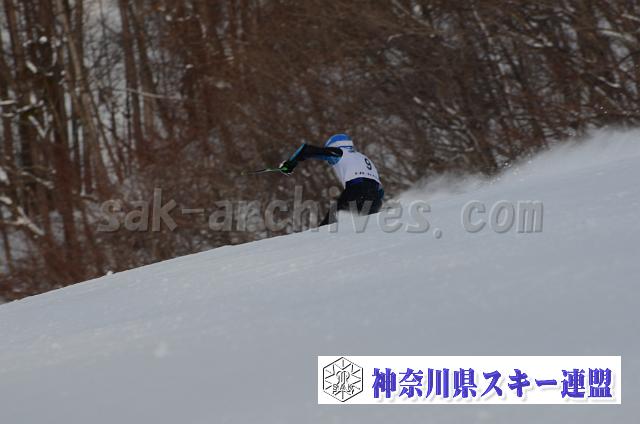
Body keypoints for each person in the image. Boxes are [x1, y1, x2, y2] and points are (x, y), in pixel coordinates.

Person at [279, 134, 384, 225]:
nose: (330, 162)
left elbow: (306, 150)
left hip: (356, 189)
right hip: (375, 197)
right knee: (362, 226)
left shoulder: (340, 152)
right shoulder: (363, 158)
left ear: (335, 146)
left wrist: (290, 163)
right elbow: (380, 189)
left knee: (330, 223)